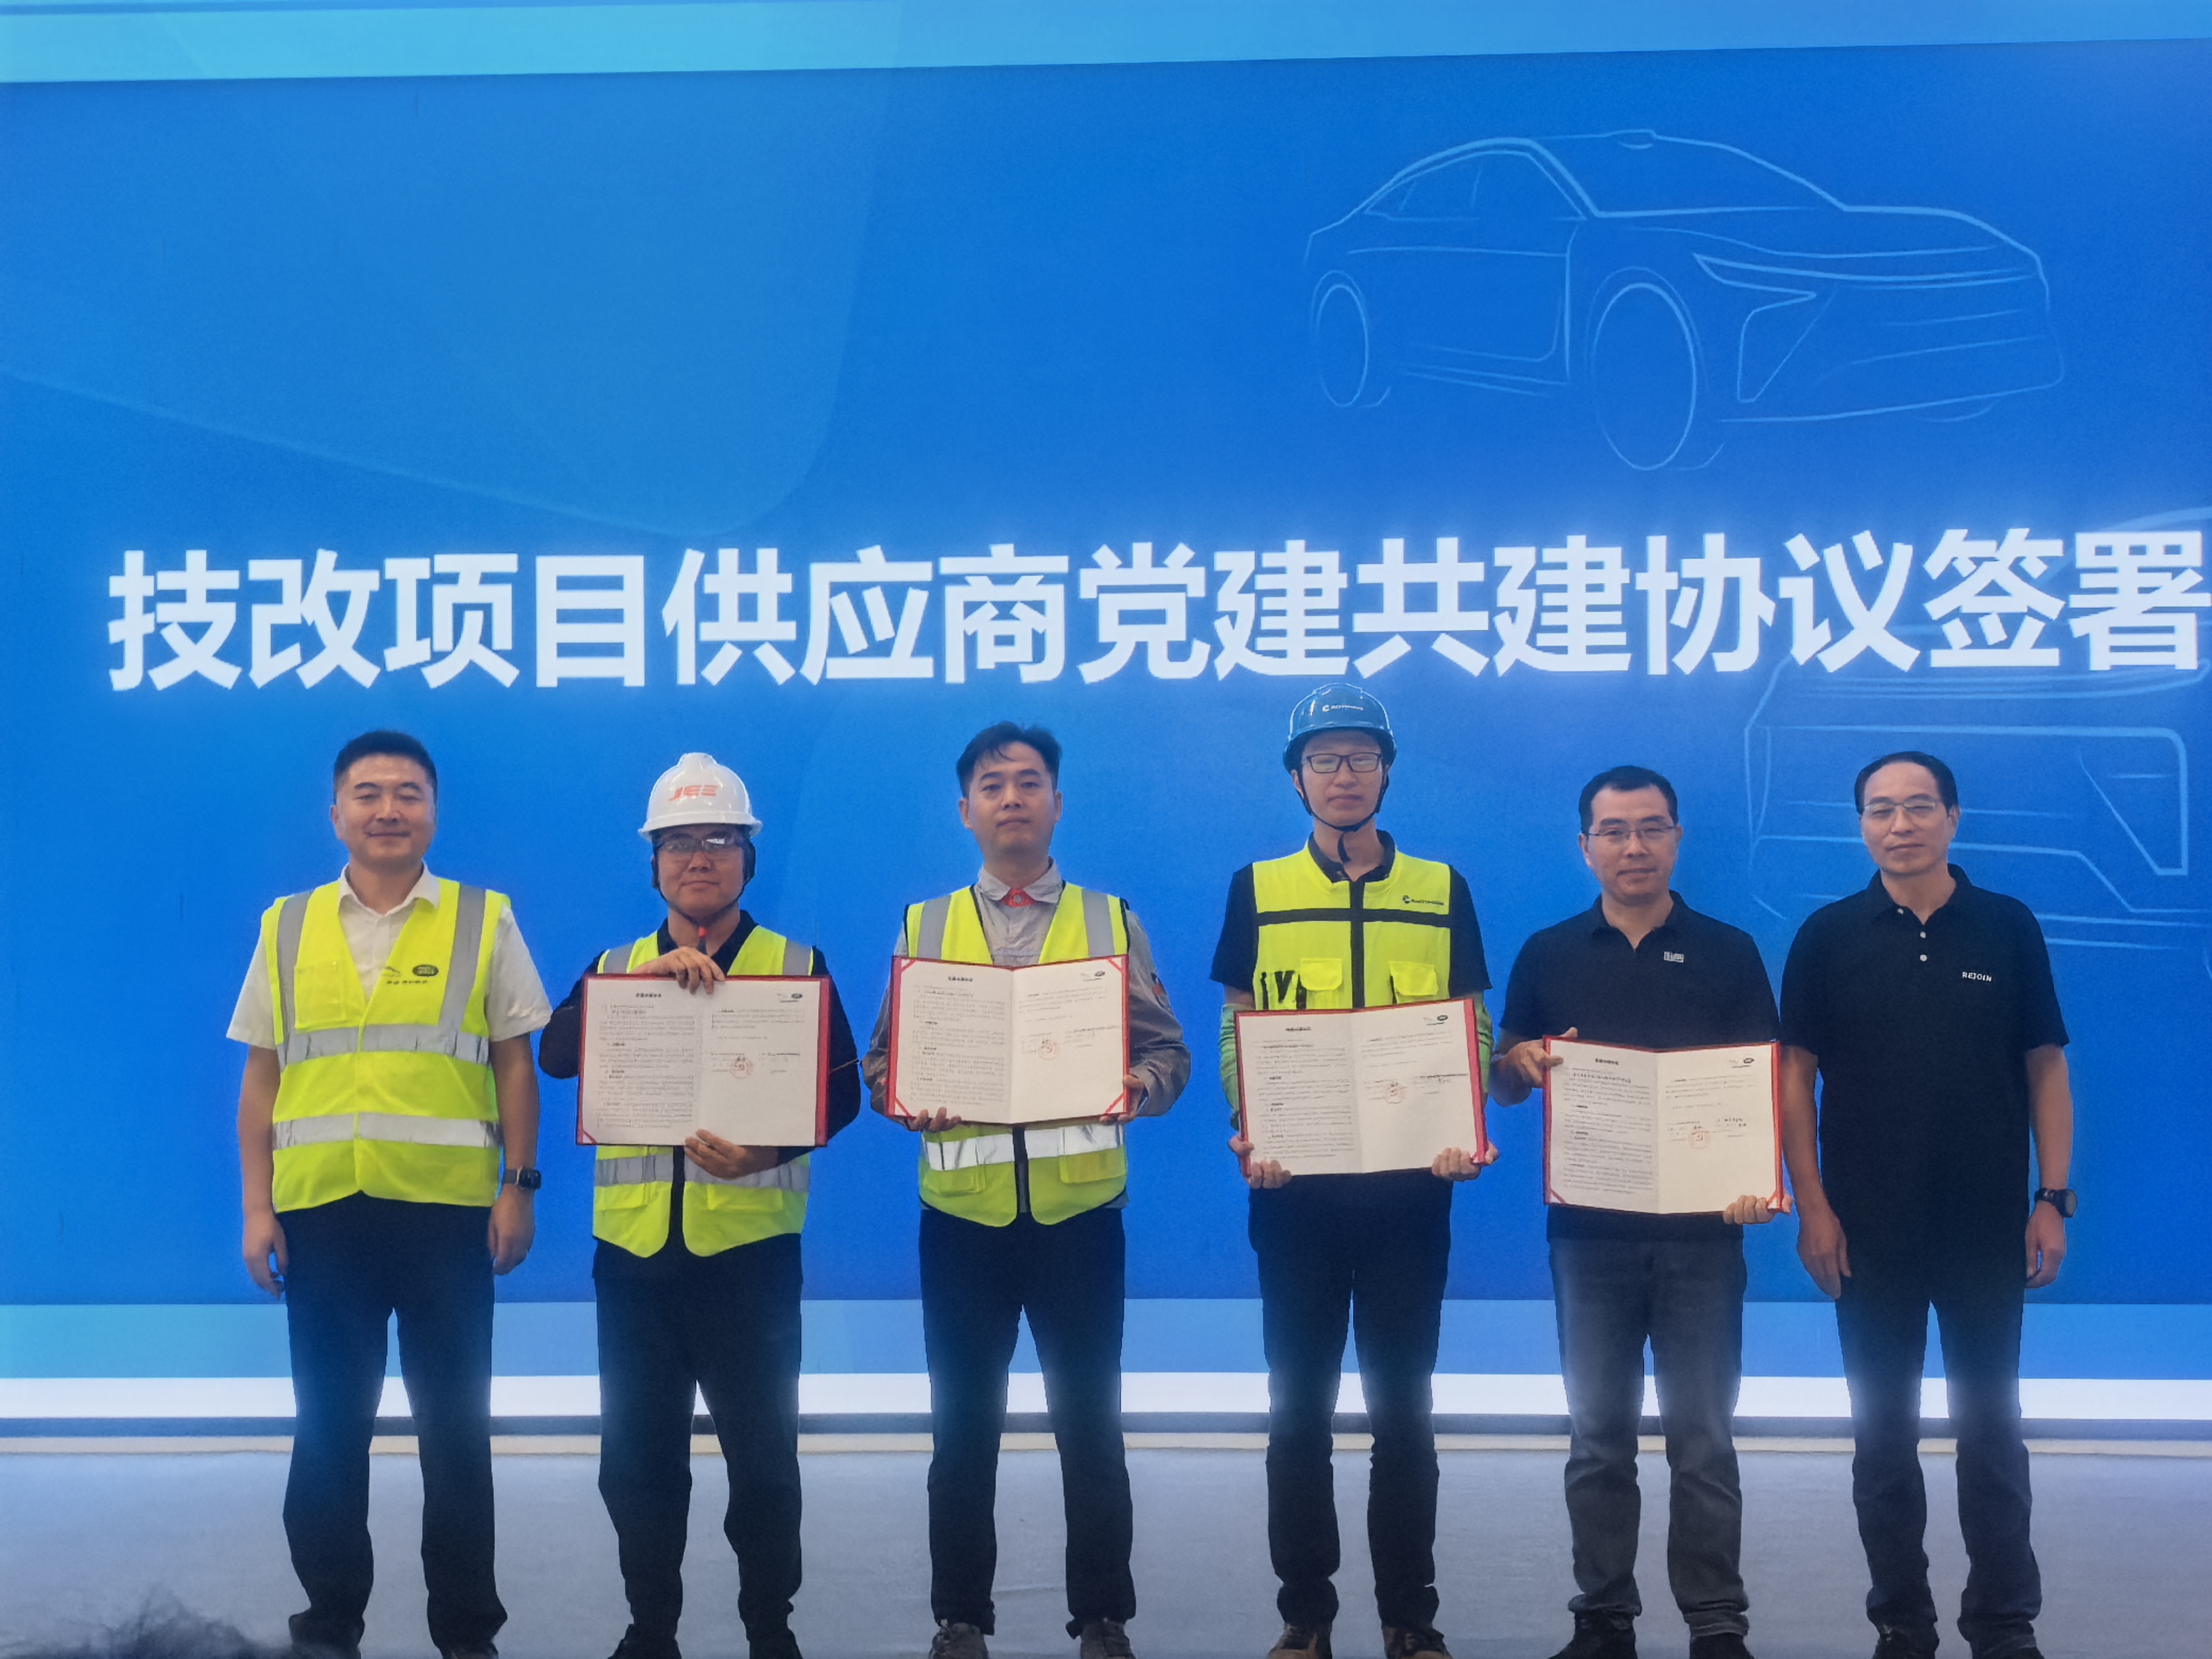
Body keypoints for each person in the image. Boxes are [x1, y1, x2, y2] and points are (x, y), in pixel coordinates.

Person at [861, 721, 1190, 1659]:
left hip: (1079, 1215)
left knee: (1092, 1430)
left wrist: (1139, 1089)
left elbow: (1169, 1053)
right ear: (965, 810)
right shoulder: (925, 925)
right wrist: (904, 1099)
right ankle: (960, 1617)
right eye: (993, 784)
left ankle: (1103, 1617)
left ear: (1057, 803)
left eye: (1030, 781)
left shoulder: (1111, 920)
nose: (1012, 798)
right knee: (962, 1435)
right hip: (962, 1220)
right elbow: (882, 1062)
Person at [232, 730, 551, 1659]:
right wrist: (257, 1207)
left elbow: (516, 1064)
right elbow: (263, 1077)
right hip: (323, 1215)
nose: (387, 810)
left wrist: (519, 1187)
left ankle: (467, 1630)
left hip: (449, 1219)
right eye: (367, 794)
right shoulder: (286, 925)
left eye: (407, 793)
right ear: (336, 813)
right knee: (329, 1432)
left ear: (433, 813)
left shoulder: (483, 919)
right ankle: (330, 1621)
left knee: (456, 1435)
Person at [538, 753, 864, 1659]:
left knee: (765, 1469)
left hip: (749, 1261)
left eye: (720, 840)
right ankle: (651, 1630)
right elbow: (556, 1057)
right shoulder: (616, 967)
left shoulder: (796, 965)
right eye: (679, 842)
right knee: (636, 1468)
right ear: (654, 864)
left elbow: (842, 1095)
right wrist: (638, 988)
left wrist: (766, 1154)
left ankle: (769, 1628)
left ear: (747, 859)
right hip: (635, 1264)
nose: (699, 858)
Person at [1211, 684, 1494, 1659]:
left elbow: (1472, 1024)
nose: (1344, 776)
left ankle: (1411, 1618)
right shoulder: (1257, 888)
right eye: (1324, 760)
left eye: (1361, 758)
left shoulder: (1442, 889)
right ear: (1297, 779)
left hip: (1411, 1198)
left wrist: (1463, 1126)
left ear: (1387, 772)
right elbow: (1237, 1025)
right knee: (1297, 1416)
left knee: (1404, 1415)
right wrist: (1250, 1124)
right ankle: (1306, 1616)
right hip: (1296, 1198)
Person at [1780, 751, 2073, 1659]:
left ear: (1953, 817)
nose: (1899, 825)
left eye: (1917, 807)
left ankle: (2004, 1623)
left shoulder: (2006, 926)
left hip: (1986, 1228)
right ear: (1861, 825)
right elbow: (1793, 1078)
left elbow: (2045, 1065)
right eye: (1880, 810)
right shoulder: (1827, 935)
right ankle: (1902, 1621)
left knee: (1992, 1434)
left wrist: (2053, 1197)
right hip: (1865, 1231)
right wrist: (1812, 1207)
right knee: (1882, 1440)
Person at [1488, 765, 1785, 1659]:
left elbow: (1760, 1083)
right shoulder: (1548, 951)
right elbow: (1503, 1078)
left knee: (1704, 1440)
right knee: (1598, 1440)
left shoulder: (1730, 950)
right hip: (1590, 1235)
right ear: (1585, 847)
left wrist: (1758, 1181)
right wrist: (1521, 1063)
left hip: (1705, 1235)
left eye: (1652, 828)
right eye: (1614, 832)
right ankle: (1604, 1617)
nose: (1634, 847)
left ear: (1678, 839)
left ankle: (1716, 1621)